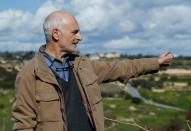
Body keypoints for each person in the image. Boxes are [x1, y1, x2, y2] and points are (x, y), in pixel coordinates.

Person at [12, 11, 174, 131]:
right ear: (56, 34)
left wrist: (155, 62)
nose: (80, 37)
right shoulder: (29, 74)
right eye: (74, 32)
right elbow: (24, 125)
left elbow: (121, 68)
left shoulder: (83, 65)